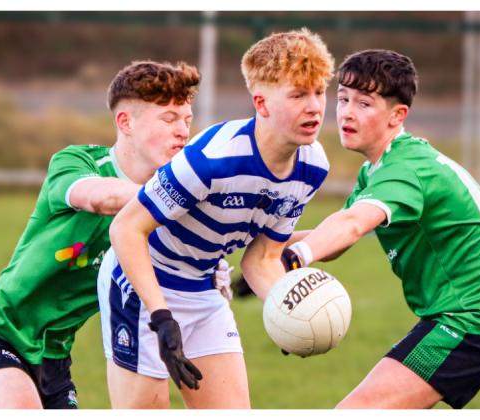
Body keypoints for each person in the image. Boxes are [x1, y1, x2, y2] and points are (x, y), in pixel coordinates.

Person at [0, 60, 237, 409]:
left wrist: (209, 263)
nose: (182, 132)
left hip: (55, 359)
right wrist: (183, 201)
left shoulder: (170, 213)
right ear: (125, 122)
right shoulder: (76, 162)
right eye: (169, 118)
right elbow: (101, 197)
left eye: (187, 120)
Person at [97, 28, 334, 408]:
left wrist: (287, 312)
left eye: (320, 92)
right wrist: (161, 317)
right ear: (262, 103)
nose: (315, 107)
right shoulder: (212, 158)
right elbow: (125, 228)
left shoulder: (312, 166)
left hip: (205, 289)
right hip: (141, 286)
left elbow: (262, 258)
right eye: (298, 95)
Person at [281, 49, 480, 409]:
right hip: (464, 315)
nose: (347, 112)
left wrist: (296, 256)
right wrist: (264, 246)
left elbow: (351, 224)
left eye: (364, 104)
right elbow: (339, 234)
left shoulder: (404, 171)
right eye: (343, 99)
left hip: (473, 321)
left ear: (398, 115)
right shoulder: (384, 166)